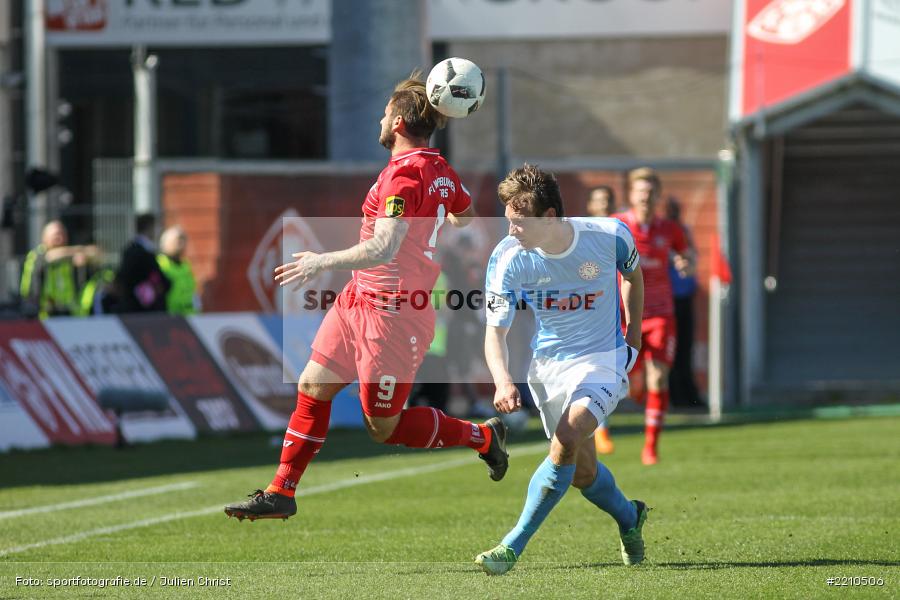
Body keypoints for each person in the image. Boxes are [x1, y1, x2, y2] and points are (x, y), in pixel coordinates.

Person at [224, 71, 508, 522]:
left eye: (384, 112)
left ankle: (483, 438)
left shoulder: (404, 177)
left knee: (384, 428)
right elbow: (465, 215)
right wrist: (437, 222)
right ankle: (282, 490)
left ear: (397, 120)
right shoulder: (437, 169)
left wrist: (320, 261)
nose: (380, 118)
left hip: (393, 315)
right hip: (359, 300)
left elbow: (384, 247)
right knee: (312, 386)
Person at [474, 164, 648, 575]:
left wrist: (633, 340)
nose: (510, 230)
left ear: (549, 217)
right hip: (549, 369)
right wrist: (502, 379)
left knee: (568, 434)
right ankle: (629, 516)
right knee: (581, 473)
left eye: (518, 222)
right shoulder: (507, 258)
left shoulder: (608, 236)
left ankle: (510, 547)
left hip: (604, 360)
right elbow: (494, 332)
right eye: (507, 220)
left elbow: (633, 276)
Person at [598, 168, 693, 465]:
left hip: (661, 314)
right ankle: (612, 418)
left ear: (658, 196)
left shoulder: (670, 229)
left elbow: (687, 255)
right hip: (623, 316)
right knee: (623, 380)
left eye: (651, 192)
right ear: (631, 195)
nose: (646, 197)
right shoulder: (616, 225)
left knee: (659, 377)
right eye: (641, 191)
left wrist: (684, 262)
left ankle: (650, 446)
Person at [586, 186, 617, 454]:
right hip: (593, 313)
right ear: (591, 206)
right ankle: (600, 430)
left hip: (620, 310)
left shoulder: (620, 232)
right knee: (597, 370)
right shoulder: (584, 236)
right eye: (600, 202)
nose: (604, 206)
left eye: (608, 202)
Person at [20, 220, 99, 318]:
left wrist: (85, 257)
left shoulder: (69, 256)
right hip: (44, 314)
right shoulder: (37, 255)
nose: (60, 238)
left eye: (63, 235)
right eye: (56, 235)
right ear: (44, 238)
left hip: (70, 312)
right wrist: (81, 250)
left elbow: (97, 254)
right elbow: (50, 257)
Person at [666, 197, 702, 407]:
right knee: (671, 350)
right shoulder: (663, 233)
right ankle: (675, 393)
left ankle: (689, 392)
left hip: (685, 297)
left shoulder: (683, 231)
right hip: (668, 300)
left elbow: (691, 258)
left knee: (685, 347)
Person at [113, 214, 171, 313]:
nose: (158, 231)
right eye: (156, 227)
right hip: (141, 310)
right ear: (149, 227)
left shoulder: (133, 249)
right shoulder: (141, 252)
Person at [157, 225, 200, 316]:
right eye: (178, 240)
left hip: (189, 316)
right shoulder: (159, 263)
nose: (181, 244)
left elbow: (193, 291)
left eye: (183, 240)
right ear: (166, 243)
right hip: (169, 316)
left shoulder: (186, 265)